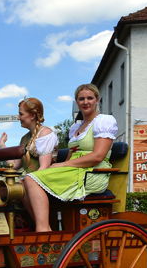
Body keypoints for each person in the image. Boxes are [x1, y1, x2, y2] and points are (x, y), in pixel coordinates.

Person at [25, 84, 117, 232]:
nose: (85, 102)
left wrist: (61, 166)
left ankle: (43, 229)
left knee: (31, 179)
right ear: (77, 102)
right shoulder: (76, 127)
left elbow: (97, 156)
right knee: (25, 182)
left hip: (92, 172)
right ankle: (50, 226)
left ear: (97, 100)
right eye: (81, 99)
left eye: (90, 98)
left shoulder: (104, 121)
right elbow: (71, 154)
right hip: (75, 169)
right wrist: (56, 166)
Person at [0, 97, 59, 225]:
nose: (18, 117)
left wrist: (26, 180)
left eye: (21, 114)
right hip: (28, 179)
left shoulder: (45, 133)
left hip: (40, 182)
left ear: (31, 115)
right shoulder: (25, 138)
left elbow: (44, 168)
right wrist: (2, 145)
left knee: (20, 185)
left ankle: (41, 226)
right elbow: (14, 165)